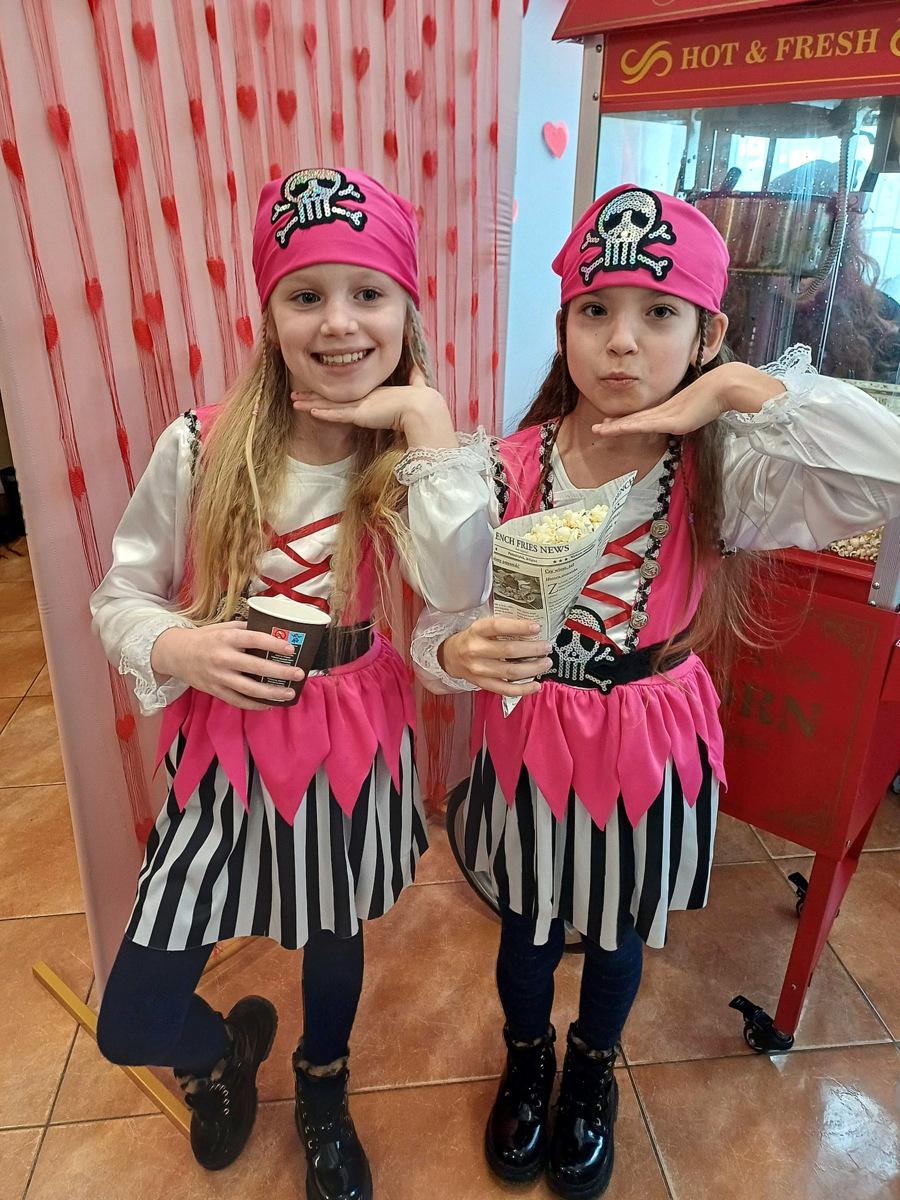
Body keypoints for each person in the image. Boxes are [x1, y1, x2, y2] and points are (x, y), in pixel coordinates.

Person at [412, 183, 900, 1199]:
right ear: (565, 326)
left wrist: (732, 393)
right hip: (532, 732)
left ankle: (591, 1071)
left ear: (706, 331)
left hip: (650, 737)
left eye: (659, 313)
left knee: (618, 929)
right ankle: (528, 1059)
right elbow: (437, 618)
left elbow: (888, 466)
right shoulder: (501, 466)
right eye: (596, 310)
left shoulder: (730, 476)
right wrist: (453, 653)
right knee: (528, 926)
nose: (623, 342)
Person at [91, 166, 489, 1200]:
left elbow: (459, 589)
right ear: (268, 314)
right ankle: (221, 1051)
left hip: (354, 728)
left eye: (369, 293)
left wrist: (427, 423)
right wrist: (179, 648)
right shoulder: (200, 443)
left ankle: (322, 1083)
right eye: (306, 294)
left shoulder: (419, 459)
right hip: (224, 741)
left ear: (405, 308)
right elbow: (121, 594)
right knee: (130, 1017)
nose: (339, 323)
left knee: (332, 928)